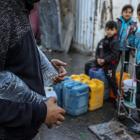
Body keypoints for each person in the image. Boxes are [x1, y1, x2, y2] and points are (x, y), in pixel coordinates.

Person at [0, 0, 67, 139]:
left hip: (27, 128)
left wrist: (45, 66)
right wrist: (41, 113)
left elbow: (15, 52)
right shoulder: (4, 12)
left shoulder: (20, 7)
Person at [85, 21, 120, 97]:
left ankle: (117, 97)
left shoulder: (115, 42)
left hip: (110, 64)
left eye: (112, 29)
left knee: (111, 78)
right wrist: (97, 59)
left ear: (116, 31)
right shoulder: (102, 41)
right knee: (88, 65)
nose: (109, 31)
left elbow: (115, 55)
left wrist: (105, 60)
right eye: (108, 29)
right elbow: (97, 51)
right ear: (105, 30)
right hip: (100, 61)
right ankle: (88, 87)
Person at [129, 4, 140, 134]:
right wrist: (132, 33)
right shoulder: (137, 28)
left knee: (139, 95)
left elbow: (133, 43)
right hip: (139, 63)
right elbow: (133, 44)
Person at [117, 4, 137, 72]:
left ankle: (124, 78)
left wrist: (133, 47)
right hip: (117, 47)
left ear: (131, 14)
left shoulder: (133, 24)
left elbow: (134, 36)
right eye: (126, 12)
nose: (127, 14)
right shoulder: (118, 22)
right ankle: (112, 77)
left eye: (129, 12)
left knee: (126, 65)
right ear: (122, 13)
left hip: (127, 49)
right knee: (114, 64)